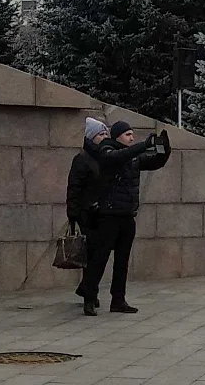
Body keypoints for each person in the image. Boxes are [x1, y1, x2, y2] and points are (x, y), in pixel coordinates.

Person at [79, 119, 170, 314]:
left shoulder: (133, 157)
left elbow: (155, 162)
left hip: (127, 215)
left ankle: (118, 300)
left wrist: (164, 148)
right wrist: (144, 145)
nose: (131, 138)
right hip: (108, 215)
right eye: (128, 135)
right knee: (99, 259)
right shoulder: (106, 150)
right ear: (117, 137)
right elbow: (118, 157)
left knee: (122, 261)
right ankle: (89, 298)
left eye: (132, 134)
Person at [66, 116, 110, 303]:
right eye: (101, 134)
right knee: (93, 255)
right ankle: (90, 295)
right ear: (91, 137)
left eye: (106, 134)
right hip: (87, 214)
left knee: (99, 255)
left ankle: (86, 288)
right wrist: (73, 214)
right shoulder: (82, 159)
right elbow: (74, 187)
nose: (104, 137)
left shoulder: (106, 157)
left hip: (104, 213)